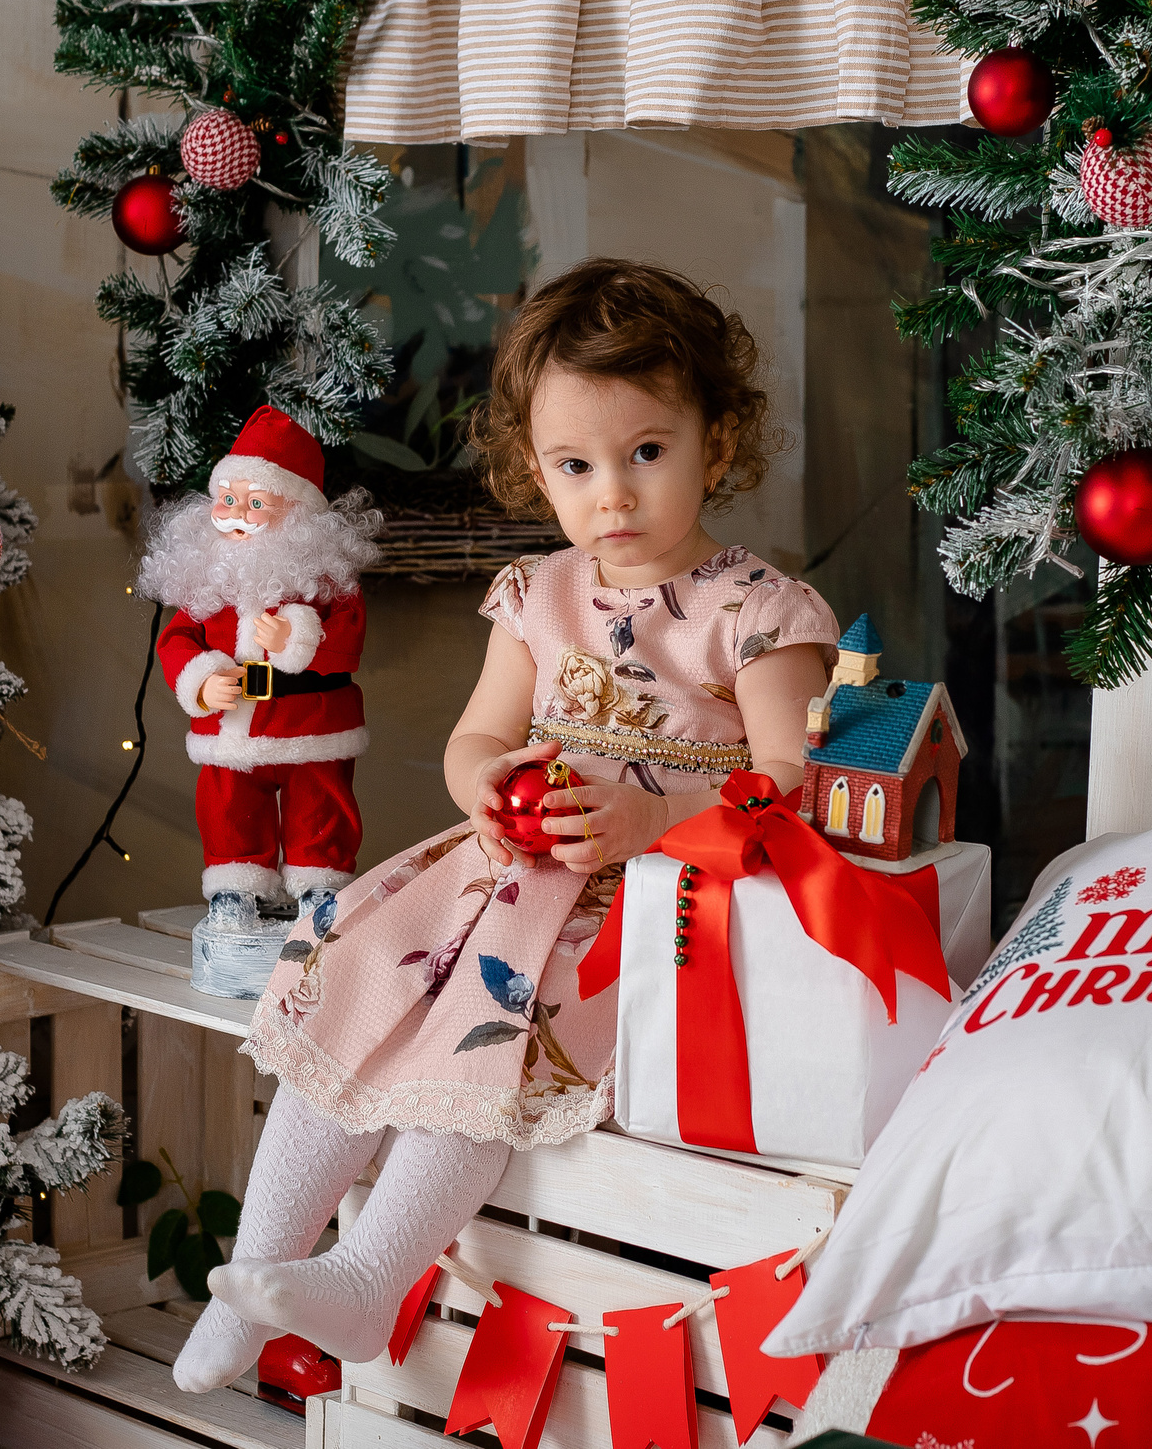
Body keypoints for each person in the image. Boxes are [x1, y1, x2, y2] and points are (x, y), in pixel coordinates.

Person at [174, 260, 839, 1391]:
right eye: (576, 466)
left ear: (716, 444)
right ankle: (257, 1274)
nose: (612, 496)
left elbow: (796, 777)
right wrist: (482, 786)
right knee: (356, 981)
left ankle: (372, 1272)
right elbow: (475, 740)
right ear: (536, 469)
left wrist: (650, 815)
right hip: (500, 869)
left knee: (489, 1030)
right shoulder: (533, 595)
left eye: (647, 453)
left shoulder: (759, 611)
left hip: (657, 892)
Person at [141, 406, 383, 946]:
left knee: (319, 805)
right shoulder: (206, 580)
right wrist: (201, 680)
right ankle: (235, 889)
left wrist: (302, 635)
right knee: (229, 806)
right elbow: (177, 640)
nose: (237, 516)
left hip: (310, 724)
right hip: (233, 729)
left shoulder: (325, 579)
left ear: (299, 513)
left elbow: (349, 638)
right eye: (228, 500)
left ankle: (319, 890)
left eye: (256, 503)